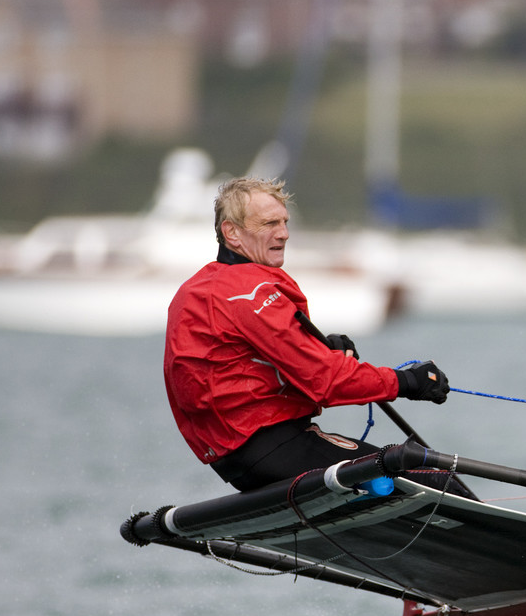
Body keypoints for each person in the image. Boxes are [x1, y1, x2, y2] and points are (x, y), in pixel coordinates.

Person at [164, 176, 448, 492]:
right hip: (277, 447)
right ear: (232, 232)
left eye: (284, 222)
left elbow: (244, 366)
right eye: (269, 224)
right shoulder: (249, 293)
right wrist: (408, 382)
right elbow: (325, 382)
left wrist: (322, 348)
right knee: (431, 476)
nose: (283, 233)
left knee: (396, 473)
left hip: (235, 463)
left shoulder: (194, 291)